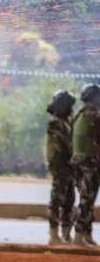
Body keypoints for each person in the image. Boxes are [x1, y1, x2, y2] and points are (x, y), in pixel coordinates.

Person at [45, 90, 77, 244]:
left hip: (68, 166)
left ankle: (65, 234)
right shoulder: (55, 122)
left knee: (69, 199)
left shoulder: (65, 122)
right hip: (60, 165)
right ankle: (53, 235)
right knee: (57, 199)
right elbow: (65, 144)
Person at [70, 83, 100, 246]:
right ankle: (79, 235)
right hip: (90, 163)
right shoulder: (95, 115)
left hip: (77, 163)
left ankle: (86, 234)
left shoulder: (79, 114)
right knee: (87, 200)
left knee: (85, 198)